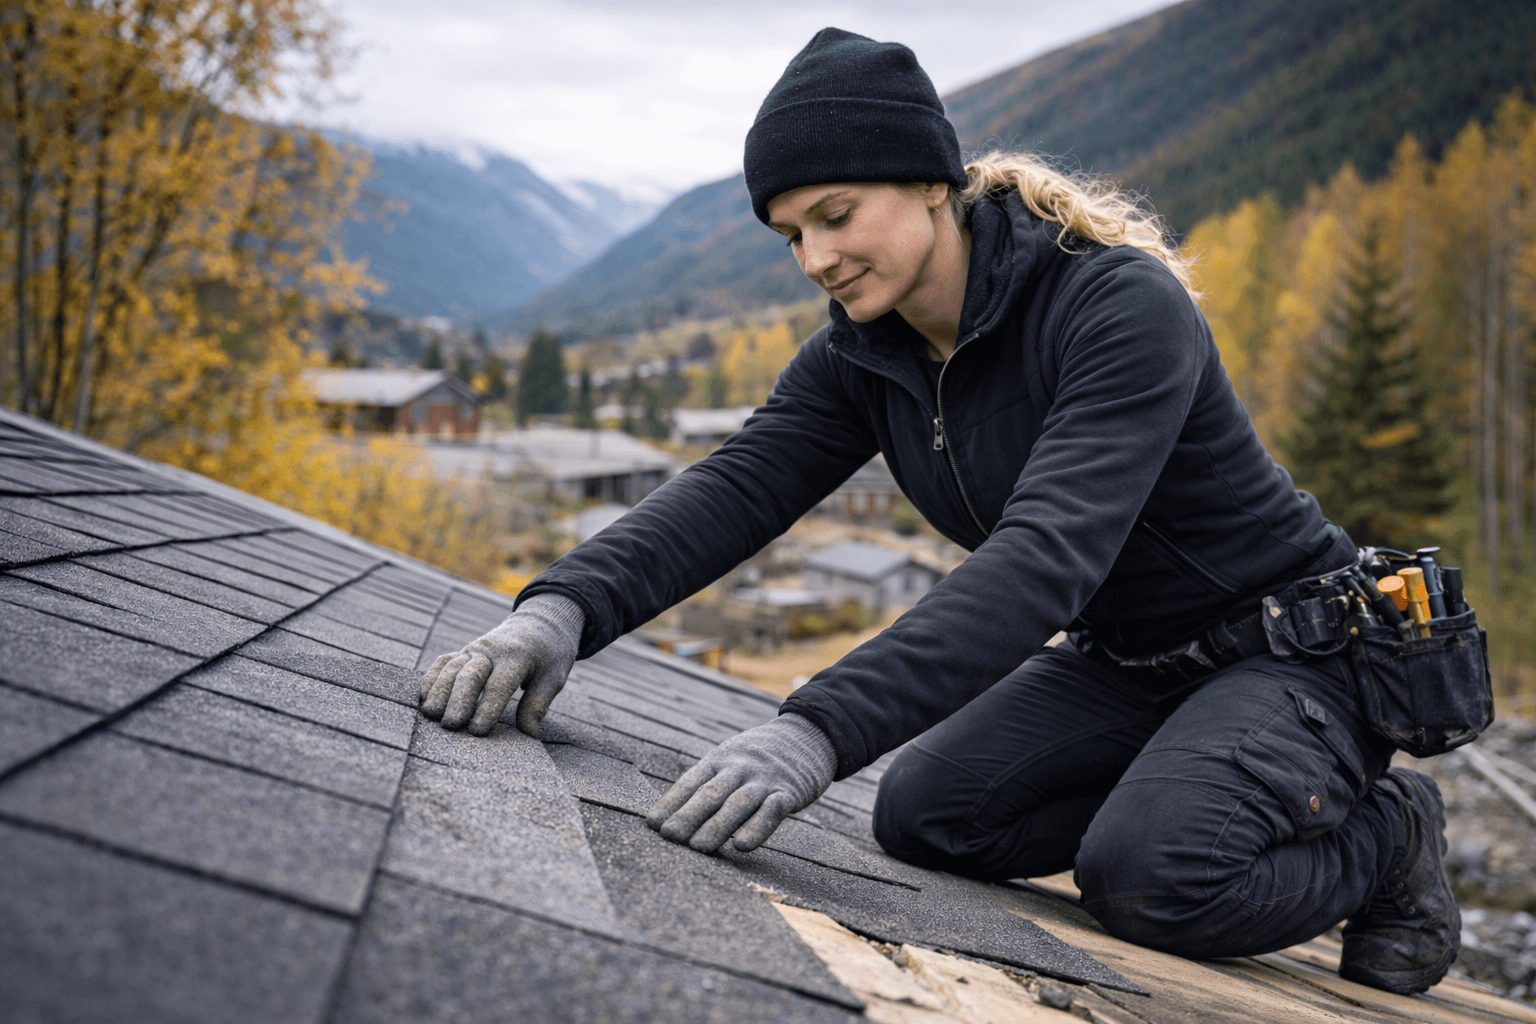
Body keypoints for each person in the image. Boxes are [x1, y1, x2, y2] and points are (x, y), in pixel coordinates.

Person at [417, 28, 1459, 995]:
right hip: (1128, 662)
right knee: (927, 819)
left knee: (1155, 875)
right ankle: (1183, 790)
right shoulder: (861, 355)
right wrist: (560, 610)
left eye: (835, 216)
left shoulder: (1117, 307)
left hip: (1289, 656)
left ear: (929, 182)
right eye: (791, 237)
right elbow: (736, 487)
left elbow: (1045, 556)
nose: (818, 259)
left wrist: (814, 728)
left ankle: (1392, 834)